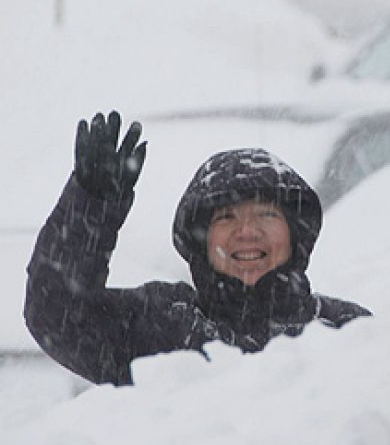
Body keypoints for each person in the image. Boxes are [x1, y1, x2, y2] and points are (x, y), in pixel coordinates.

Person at [24, 111, 371, 386]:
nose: (247, 231)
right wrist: (91, 207)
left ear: (296, 234)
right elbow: (56, 314)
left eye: (266, 214)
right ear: (200, 240)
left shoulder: (345, 331)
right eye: (227, 217)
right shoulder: (159, 325)